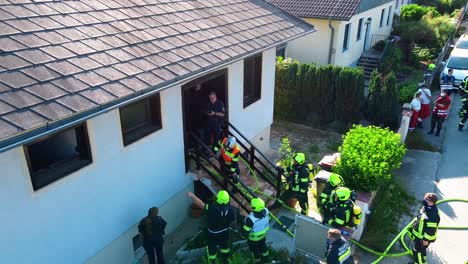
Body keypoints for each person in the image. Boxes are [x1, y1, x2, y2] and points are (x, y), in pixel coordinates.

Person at [187, 190, 236, 264]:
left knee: (212, 247)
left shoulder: (212, 208)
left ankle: (213, 261)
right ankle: (226, 259)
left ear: (218, 199)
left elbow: (201, 204)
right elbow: (233, 221)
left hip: (213, 234)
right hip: (224, 232)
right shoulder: (231, 209)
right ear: (228, 200)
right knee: (224, 246)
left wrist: (192, 196)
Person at [408, 193, 440, 264]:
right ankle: (419, 261)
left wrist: (425, 240)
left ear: (431, 202)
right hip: (419, 236)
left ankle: (418, 262)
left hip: (423, 238)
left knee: (418, 252)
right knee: (419, 251)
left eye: (426, 199)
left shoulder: (432, 214)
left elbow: (431, 230)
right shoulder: (426, 207)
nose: (424, 200)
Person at [242, 198, 270, 263]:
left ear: (253, 207)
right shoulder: (266, 211)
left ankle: (257, 261)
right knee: (263, 247)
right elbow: (268, 219)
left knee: (254, 251)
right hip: (263, 235)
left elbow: (245, 231)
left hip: (253, 239)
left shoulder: (250, 219)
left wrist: (242, 236)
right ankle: (267, 260)